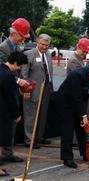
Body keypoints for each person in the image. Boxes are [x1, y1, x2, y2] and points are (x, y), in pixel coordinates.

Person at [55, 66, 89, 168]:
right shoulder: (77, 75)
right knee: (68, 129)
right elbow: (76, 96)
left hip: (78, 103)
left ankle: (87, 154)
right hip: (65, 102)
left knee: (83, 129)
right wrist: (84, 116)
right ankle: (67, 158)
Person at [0, 18, 31, 164]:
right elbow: (3, 73)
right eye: (22, 36)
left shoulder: (17, 48)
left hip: (13, 90)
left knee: (11, 124)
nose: (22, 40)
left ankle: (7, 152)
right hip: (5, 92)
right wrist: (19, 81)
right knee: (4, 125)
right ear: (15, 33)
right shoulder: (3, 48)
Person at [21, 34, 53, 148]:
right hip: (32, 90)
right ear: (37, 43)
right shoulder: (28, 54)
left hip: (46, 89)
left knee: (43, 115)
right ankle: (29, 140)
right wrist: (26, 89)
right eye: (42, 44)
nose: (44, 47)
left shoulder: (48, 55)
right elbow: (24, 74)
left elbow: (49, 72)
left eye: (47, 45)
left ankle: (39, 137)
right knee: (31, 115)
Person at [0, 51, 28, 176]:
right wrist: (16, 115)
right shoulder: (8, 76)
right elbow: (10, 98)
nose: (20, 68)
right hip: (3, 113)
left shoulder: (1, 69)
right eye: (20, 65)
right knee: (1, 141)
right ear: (16, 63)